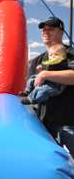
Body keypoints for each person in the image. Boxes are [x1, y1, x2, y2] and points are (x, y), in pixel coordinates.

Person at [26, 16, 74, 157]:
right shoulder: (36, 61)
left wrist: (46, 74)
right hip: (43, 127)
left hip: (68, 123)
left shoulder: (70, 53)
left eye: (51, 29)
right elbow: (31, 89)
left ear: (61, 32)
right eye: (43, 30)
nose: (45, 32)